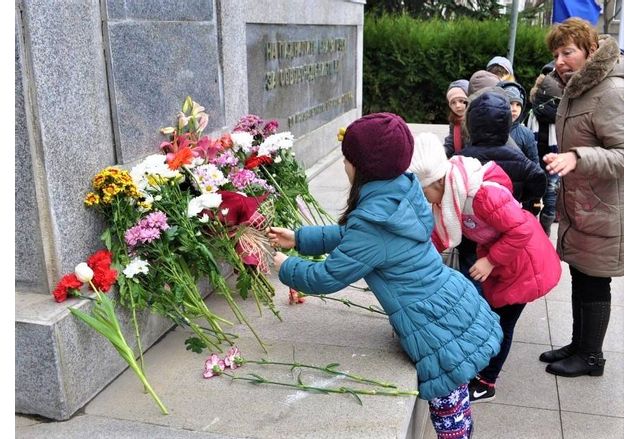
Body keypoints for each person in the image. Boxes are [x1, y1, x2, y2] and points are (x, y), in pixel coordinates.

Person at [268, 112, 503, 438]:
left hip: (431, 323)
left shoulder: (374, 220)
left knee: (448, 411)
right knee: (457, 403)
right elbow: (353, 238)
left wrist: (286, 266)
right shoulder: (401, 189)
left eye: (347, 160)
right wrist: (299, 238)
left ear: (361, 168)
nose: (344, 166)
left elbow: (328, 276)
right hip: (447, 298)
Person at [409, 92, 561, 403]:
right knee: (489, 317)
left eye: (424, 192)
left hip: (524, 264)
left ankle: (487, 381)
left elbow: (518, 229)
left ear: (437, 182)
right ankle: (481, 369)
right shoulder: (451, 194)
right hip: (505, 262)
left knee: (502, 322)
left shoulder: (481, 196)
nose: (425, 200)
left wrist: (490, 261)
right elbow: (437, 234)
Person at [539, 17, 623, 377]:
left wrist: (577, 157)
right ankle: (580, 345)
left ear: (590, 51)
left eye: (568, 52)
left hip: (603, 206)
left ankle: (592, 359)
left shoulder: (612, 92)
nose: (560, 60)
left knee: (593, 280)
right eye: (556, 53)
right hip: (581, 203)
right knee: (581, 276)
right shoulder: (575, 88)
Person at [526, 66, 563, 235]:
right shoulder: (559, 112)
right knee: (549, 196)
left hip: (540, 160)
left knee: (539, 197)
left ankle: (539, 228)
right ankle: (543, 229)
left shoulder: (533, 113)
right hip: (549, 160)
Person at [497, 80, 543, 215]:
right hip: (497, 189)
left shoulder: (526, 134)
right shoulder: (492, 129)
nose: (514, 108)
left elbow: (534, 164)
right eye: (510, 103)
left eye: (518, 104)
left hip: (520, 193)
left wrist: (536, 197)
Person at [443, 79, 470, 158]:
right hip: (459, 160)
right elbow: (450, 143)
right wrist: (441, 152)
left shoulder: (475, 120)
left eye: (461, 101)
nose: (457, 106)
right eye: (453, 103)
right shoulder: (454, 121)